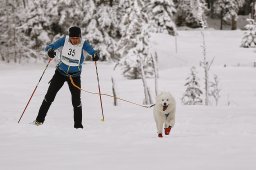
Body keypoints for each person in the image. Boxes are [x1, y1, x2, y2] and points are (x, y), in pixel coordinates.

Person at [33, 26, 99, 129]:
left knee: (76, 101)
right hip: (60, 73)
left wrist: (95, 55)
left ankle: (78, 126)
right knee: (49, 96)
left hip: (75, 76)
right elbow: (49, 47)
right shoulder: (64, 40)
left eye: (77, 38)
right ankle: (38, 121)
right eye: (73, 38)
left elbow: (92, 51)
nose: (75, 40)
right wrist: (50, 51)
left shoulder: (84, 43)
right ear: (69, 37)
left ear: (80, 37)